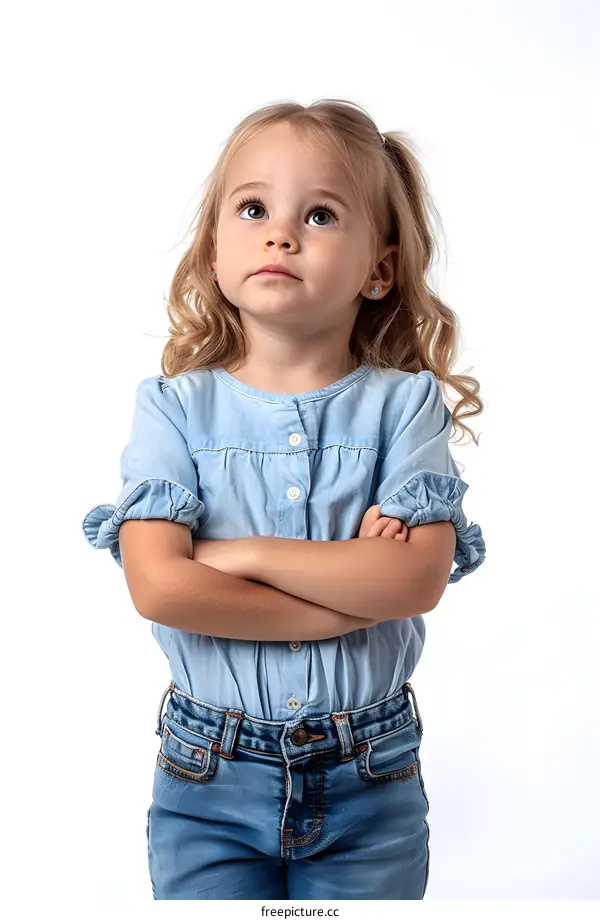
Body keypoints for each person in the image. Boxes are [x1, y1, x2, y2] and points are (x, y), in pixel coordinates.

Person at [81, 98, 486, 900]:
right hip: (208, 776)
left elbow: (413, 582)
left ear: (379, 270)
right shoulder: (173, 408)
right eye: (254, 208)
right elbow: (159, 587)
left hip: (371, 774)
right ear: (214, 252)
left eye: (321, 215)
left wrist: (239, 556)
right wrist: (346, 592)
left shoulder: (405, 407)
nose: (281, 235)